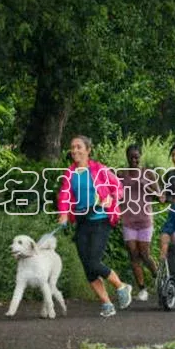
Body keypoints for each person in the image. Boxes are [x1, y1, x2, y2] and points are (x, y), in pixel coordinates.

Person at [58, 135, 132, 317]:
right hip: (82, 221)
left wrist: (111, 198)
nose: (75, 150)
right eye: (72, 147)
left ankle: (121, 286)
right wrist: (63, 213)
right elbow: (65, 195)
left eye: (79, 147)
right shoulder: (70, 173)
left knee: (93, 261)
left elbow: (119, 188)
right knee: (87, 266)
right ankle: (106, 303)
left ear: (88, 150)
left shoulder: (100, 170)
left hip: (101, 219)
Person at [118, 144, 159, 301]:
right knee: (133, 254)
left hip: (144, 220)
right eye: (131, 157)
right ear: (127, 157)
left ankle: (158, 277)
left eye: (136, 157)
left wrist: (146, 186)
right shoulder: (121, 175)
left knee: (144, 254)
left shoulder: (148, 174)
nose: (134, 160)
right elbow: (115, 194)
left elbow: (160, 195)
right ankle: (142, 289)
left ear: (140, 156)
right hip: (128, 219)